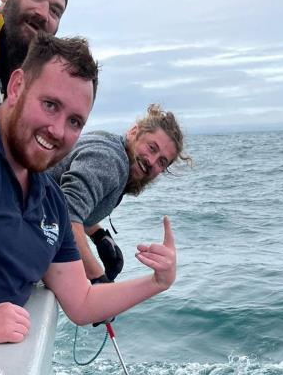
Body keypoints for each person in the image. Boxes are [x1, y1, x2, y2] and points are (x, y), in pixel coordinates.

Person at [0, 34, 176, 345]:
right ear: (17, 85)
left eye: (75, 121)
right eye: (50, 105)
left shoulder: (50, 202)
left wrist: (158, 282)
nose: (58, 130)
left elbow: (82, 302)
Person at [47, 105, 190, 282]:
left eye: (162, 162)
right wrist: (98, 278)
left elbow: (66, 195)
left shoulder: (109, 143)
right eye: (152, 148)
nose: (152, 162)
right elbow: (66, 214)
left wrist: (98, 235)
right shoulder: (111, 161)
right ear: (133, 132)